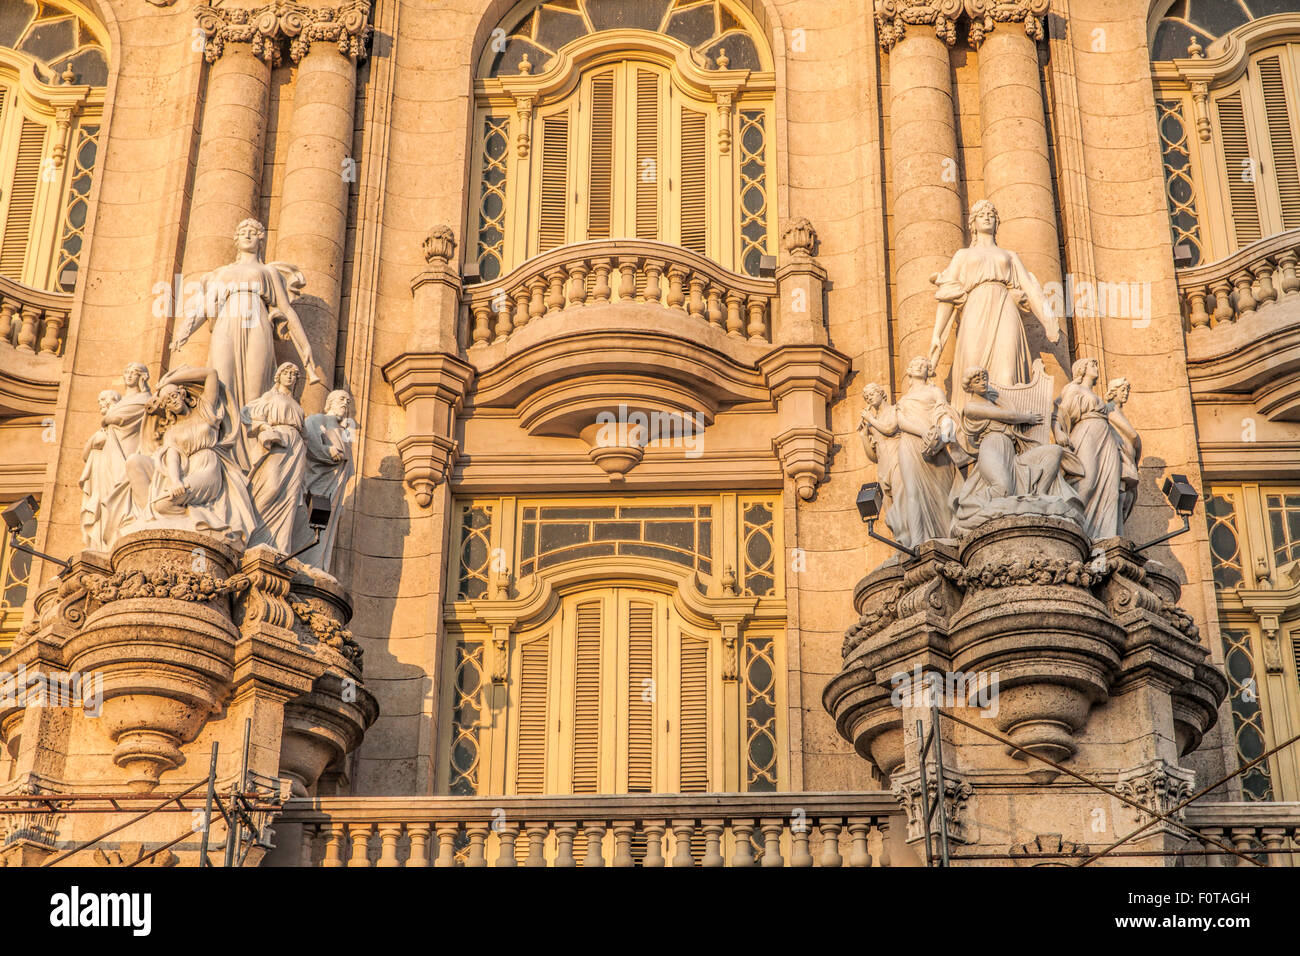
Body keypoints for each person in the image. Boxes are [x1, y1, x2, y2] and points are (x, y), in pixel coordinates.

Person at [170, 218, 324, 470]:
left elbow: (286, 309)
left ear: (261, 239)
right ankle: (221, 451)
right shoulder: (221, 273)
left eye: (254, 232)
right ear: (235, 239)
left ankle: (254, 448)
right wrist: (183, 333)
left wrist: (304, 345)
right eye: (243, 232)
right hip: (226, 326)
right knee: (222, 383)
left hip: (257, 325)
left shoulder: (269, 273)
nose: (248, 235)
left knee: (256, 390)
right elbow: (202, 308)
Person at [928, 200, 1059, 415]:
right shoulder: (963, 255)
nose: (987, 217)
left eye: (991, 214)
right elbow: (947, 294)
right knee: (973, 365)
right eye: (981, 214)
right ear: (973, 224)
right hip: (974, 309)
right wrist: (936, 334)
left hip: (1004, 306)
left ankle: (1011, 426)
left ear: (997, 222)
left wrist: (1048, 321)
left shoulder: (1009, 255)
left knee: (1007, 371)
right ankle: (975, 426)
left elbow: (1030, 288)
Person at [123, 365, 257, 543]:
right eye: (168, 401)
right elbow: (173, 457)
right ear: (166, 408)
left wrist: (170, 380)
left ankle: (205, 523)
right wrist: (175, 480)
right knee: (160, 504)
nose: (173, 401)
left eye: (174, 395)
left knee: (165, 503)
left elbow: (211, 374)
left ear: (182, 394)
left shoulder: (204, 410)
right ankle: (185, 519)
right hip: (187, 468)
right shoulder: (172, 431)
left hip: (207, 466)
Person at [952, 366, 1083, 532]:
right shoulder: (971, 408)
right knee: (1002, 488)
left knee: (1054, 451)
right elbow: (1008, 416)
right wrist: (1026, 417)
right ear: (969, 387)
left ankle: (1039, 495)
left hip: (1012, 453)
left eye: (984, 378)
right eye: (976, 381)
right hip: (992, 448)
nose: (982, 382)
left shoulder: (997, 401)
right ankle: (969, 510)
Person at [1055, 357, 1125, 540]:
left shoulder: (1097, 397)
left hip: (1105, 438)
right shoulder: (1073, 389)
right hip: (1087, 434)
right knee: (1086, 480)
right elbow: (1060, 414)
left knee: (1111, 487)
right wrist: (1058, 432)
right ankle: (1070, 525)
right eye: (1092, 365)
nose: (1096, 367)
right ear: (1082, 369)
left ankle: (1104, 536)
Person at [243, 363, 307, 553]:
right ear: (278, 376)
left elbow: (306, 433)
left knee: (290, 495)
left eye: (294, 374)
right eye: (286, 373)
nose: (290, 376)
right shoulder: (270, 397)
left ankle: (280, 546)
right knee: (270, 487)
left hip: (297, 448)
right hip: (278, 441)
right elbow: (248, 414)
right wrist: (265, 429)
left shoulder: (297, 406)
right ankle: (253, 537)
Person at [296, 389, 357, 572]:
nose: (345, 403)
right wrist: (328, 452)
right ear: (329, 402)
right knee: (309, 519)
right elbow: (310, 444)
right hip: (317, 482)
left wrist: (347, 430)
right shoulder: (316, 420)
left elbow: (348, 456)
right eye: (341, 399)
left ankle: (317, 564)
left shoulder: (344, 430)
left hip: (334, 487)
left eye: (348, 400)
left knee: (325, 526)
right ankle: (301, 560)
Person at [79, 389, 123, 551]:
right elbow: (85, 454)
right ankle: (98, 543)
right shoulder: (103, 431)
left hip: (114, 470)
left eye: (103, 400)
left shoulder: (119, 426)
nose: (100, 404)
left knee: (109, 503)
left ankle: (108, 542)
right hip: (100, 470)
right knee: (99, 504)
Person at [1105, 377, 1141, 525]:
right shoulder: (1109, 408)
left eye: (1127, 390)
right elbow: (1132, 435)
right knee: (1120, 494)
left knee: (1128, 497)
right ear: (1113, 392)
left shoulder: (1119, 411)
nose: (1126, 393)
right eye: (1122, 390)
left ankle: (1117, 526)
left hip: (1129, 457)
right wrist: (1138, 444)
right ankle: (1114, 527)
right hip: (1120, 456)